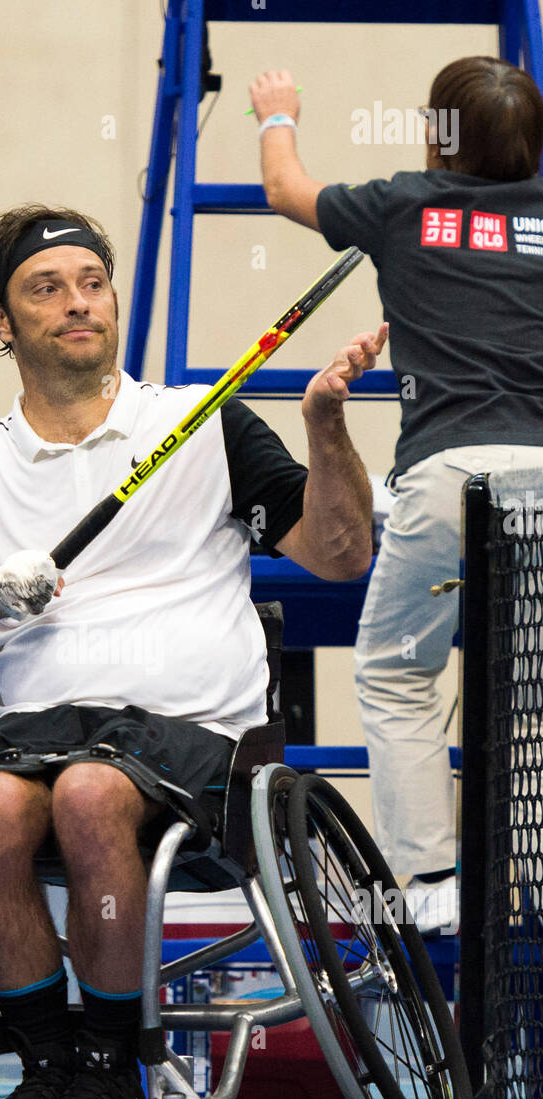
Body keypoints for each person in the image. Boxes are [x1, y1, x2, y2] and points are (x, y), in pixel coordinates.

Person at [0, 203, 383, 1099]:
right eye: (46, 288)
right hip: (36, 730)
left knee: (91, 790)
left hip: (190, 745)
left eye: (92, 283)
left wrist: (322, 428)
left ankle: (111, 1070)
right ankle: (48, 1069)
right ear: (0, 322)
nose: (78, 304)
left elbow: (340, 553)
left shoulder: (200, 424)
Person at [250, 56, 543, 931]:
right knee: (524, 684)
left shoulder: (401, 203)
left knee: (396, 670)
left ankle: (428, 884)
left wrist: (277, 113)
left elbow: (283, 188)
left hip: (448, 479)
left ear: (434, 136)